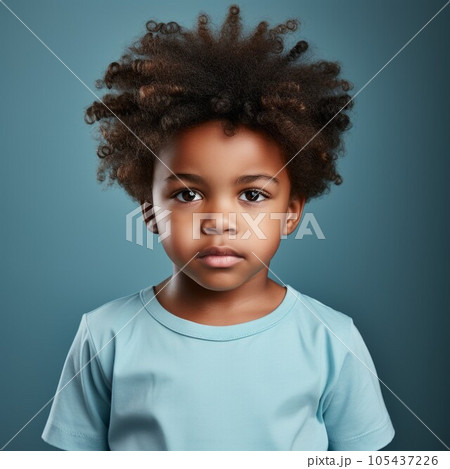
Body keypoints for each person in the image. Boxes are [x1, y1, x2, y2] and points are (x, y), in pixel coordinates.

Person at [41, 4, 395, 450]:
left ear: (291, 212)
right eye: (187, 194)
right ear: (149, 211)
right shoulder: (104, 334)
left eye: (252, 195)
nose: (221, 223)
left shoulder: (332, 339)